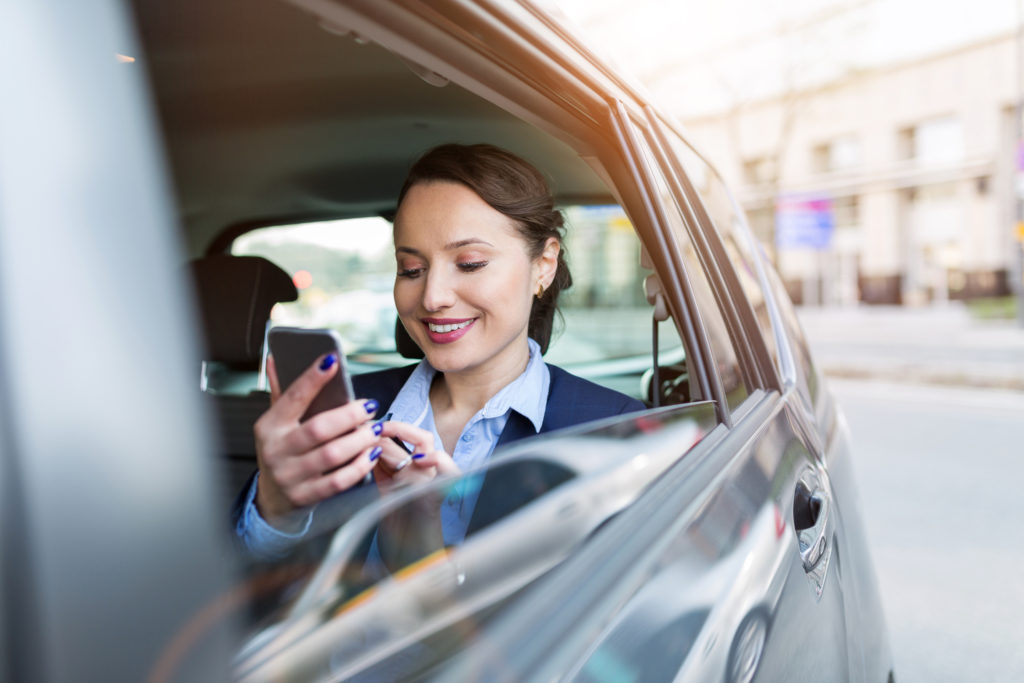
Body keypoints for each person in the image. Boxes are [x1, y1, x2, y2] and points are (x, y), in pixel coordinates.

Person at [234, 143, 644, 557]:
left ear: (544, 264)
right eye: (410, 270)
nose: (432, 297)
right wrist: (276, 510)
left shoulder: (614, 429)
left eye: (469, 263)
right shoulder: (341, 415)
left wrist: (428, 552)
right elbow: (252, 600)